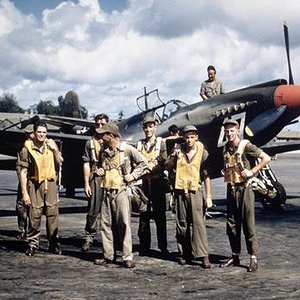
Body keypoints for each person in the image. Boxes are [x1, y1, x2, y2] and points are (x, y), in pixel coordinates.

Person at [219, 119, 271, 272]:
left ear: (237, 131)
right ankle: (235, 256)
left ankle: (253, 258)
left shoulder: (245, 145)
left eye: (231, 131)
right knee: (232, 225)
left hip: (245, 188)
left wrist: (252, 171)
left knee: (248, 224)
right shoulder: (225, 148)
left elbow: (265, 158)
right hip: (232, 188)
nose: (229, 134)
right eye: (227, 131)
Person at [93, 123, 147, 268]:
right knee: (105, 225)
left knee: (124, 224)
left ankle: (127, 257)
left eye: (103, 134)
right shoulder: (102, 151)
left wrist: (133, 176)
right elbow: (100, 166)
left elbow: (143, 163)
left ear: (110, 135)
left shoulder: (126, 149)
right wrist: (99, 171)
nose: (100, 136)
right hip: (106, 191)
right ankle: (108, 255)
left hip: (121, 191)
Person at [165, 125, 212, 268]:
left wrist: (208, 196)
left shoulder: (202, 152)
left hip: (195, 191)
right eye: (187, 137)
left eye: (192, 137)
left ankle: (203, 255)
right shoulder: (178, 149)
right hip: (180, 191)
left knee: (198, 224)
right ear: (183, 137)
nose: (189, 140)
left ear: (196, 137)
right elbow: (166, 166)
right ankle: (185, 254)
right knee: (182, 224)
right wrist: (173, 156)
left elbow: (206, 175)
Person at [18, 121, 64, 256]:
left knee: (52, 214)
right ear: (34, 133)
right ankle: (32, 243)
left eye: (44, 132)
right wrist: (25, 193)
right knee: (35, 214)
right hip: (35, 184)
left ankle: (53, 242)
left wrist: (55, 149)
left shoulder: (51, 146)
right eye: (39, 132)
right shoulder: (27, 148)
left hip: (50, 183)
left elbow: (60, 162)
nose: (41, 135)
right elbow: (23, 172)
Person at [137, 114, 168, 256]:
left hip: (157, 183)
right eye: (146, 127)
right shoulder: (139, 144)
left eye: (150, 126)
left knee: (160, 216)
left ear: (155, 127)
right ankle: (144, 246)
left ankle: (163, 247)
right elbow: (135, 161)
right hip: (144, 183)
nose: (148, 129)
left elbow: (163, 161)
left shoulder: (161, 142)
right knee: (143, 216)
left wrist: (153, 166)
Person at [81, 113, 109, 252]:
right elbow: (86, 163)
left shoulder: (112, 141)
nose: (100, 127)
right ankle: (89, 237)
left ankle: (110, 241)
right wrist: (86, 183)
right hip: (95, 179)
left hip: (110, 179)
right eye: (97, 124)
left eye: (103, 124)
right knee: (93, 209)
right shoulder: (89, 143)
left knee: (110, 211)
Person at [15, 124, 35, 239]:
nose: (28, 135)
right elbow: (19, 167)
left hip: (34, 181)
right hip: (24, 181)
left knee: (33, 208)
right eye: (27, 133)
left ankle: (31, 231)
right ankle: (22, 229)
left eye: (30, 133)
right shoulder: (23, 148)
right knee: (21, 206)